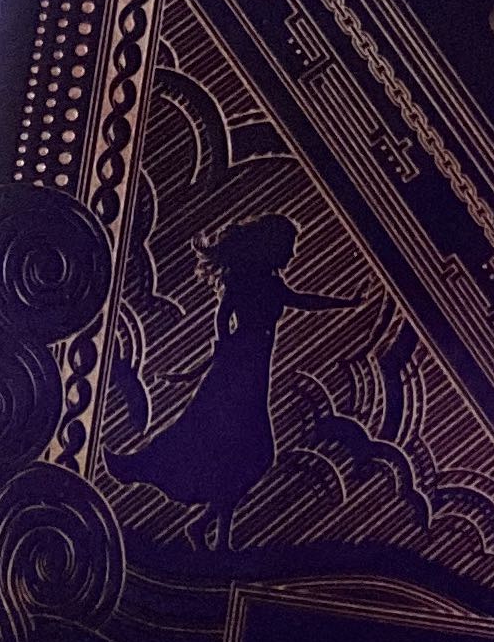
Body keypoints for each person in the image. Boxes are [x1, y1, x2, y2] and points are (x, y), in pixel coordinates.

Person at [123, 217, 340, 552]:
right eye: (289, 245)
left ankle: (204, 528)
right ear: (271, 245)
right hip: (238, 371)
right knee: (247, 450)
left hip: (253, 370)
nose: (293, 253)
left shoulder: (271, 281)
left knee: (248, 453)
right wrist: (227, 349)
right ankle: (214, 535)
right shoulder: (246, 279)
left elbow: (303, 301)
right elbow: (223, 316)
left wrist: (347, 303)